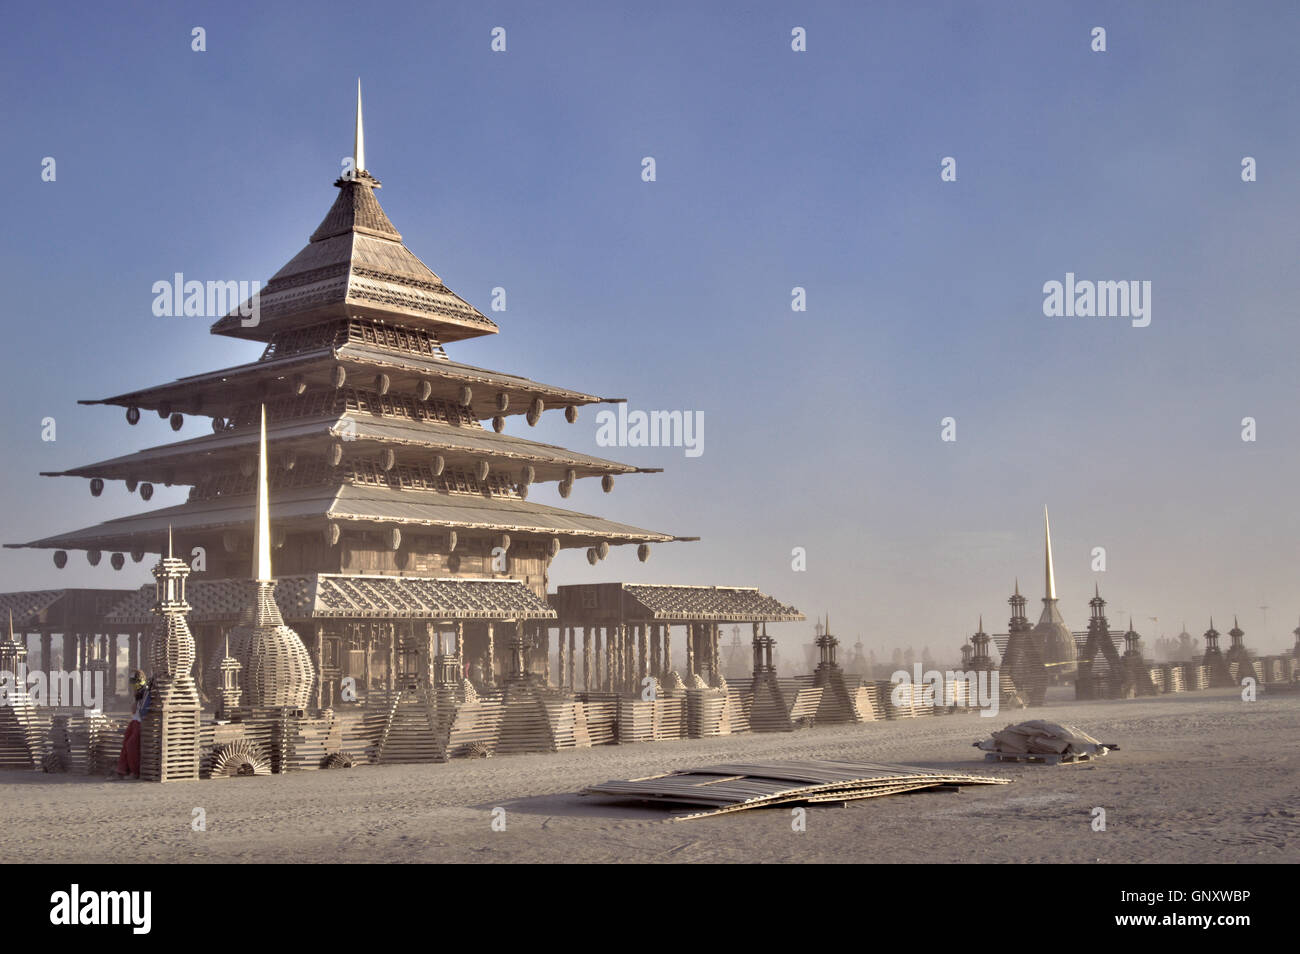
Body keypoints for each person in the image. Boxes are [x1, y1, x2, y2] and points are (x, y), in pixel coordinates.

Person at [111, 670, 150, 779]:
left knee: (131, 745)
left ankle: (135, 772)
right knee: (125, 743)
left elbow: (144, 711)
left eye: (134, 682)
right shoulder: (138, 693)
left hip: (141, 722)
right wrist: (136, 700)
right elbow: (134, 710)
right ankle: (122, 770)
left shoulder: (146, 691)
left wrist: (139, 701)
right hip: (134, 721)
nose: (133, 685)